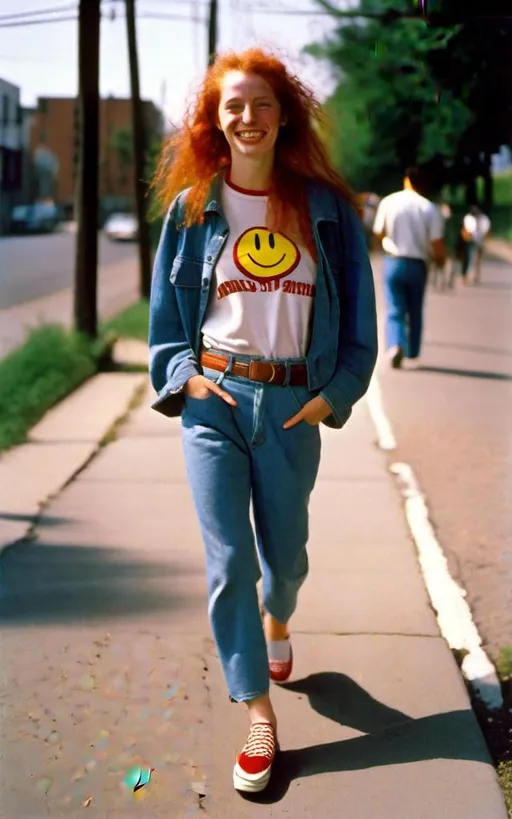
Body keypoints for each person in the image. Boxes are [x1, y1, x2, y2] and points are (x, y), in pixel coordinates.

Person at [148, 48, 378, 794]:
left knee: (288, 558)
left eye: (261, 104)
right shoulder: (191, 211)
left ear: (284, 116)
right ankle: (258, 711)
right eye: (233, 106)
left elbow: (361, 327)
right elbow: (165, 328)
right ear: (217, 122)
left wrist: (334, 392)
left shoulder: (327, 211)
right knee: (229, 563)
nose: (248, 118)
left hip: (291, 408)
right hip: (215, 401)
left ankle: (280, 620)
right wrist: (186, 381)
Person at [373, 166, 447, 368]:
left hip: (394, 260)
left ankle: (395, 345)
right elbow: (437, 243)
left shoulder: (389, 201)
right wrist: (441, 260)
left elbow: (378, 232)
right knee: (415, 309)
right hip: (418, 264)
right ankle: (413, 350)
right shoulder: (429, 208)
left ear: (406, 180)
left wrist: (385, 242)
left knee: (395, 308)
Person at [459, 204, 491, 285]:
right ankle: (465, 275)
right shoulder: (468, 218)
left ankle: (476, 275)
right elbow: (466, 230)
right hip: (469, 241)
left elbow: (486, 230)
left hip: (479, 242)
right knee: (468, 258)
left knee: (477, 259)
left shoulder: (484, 219)